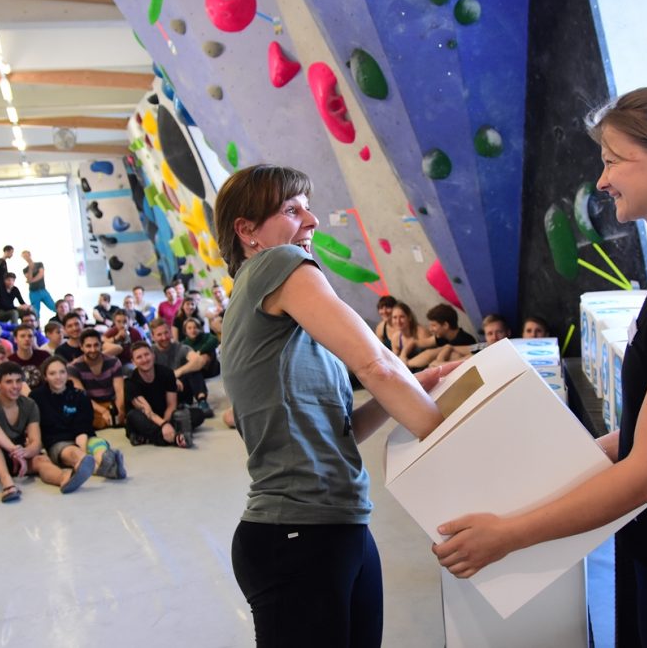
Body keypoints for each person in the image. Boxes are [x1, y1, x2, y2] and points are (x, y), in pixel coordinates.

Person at [432, 87, 647, 647]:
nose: (603, 180)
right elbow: (643, 436)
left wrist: (509, 535)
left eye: (613, 161)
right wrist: (546, 472)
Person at [216, 164, 453, 646]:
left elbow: (340, 428)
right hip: (297, 534)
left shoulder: (272, 314)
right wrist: (452, 440)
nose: (312, 220)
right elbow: (378, 365)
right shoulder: (276, 264)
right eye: (290, 209)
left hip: (340, 525)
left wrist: (416, 382)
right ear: (247, 231)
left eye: (307, 206)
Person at [0, 361, 76, 502]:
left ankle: (64, 478)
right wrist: (13, 449)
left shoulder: (29, 405)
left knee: (42, 459)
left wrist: (24, 452)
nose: (15, 386)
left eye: (18, 381)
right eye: (9, 382)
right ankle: (8, 485)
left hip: (18, 460)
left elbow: (36, 442)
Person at [30, 357, 126, 480]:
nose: (58, 377)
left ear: (67, 373)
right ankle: (104, 469)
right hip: (58, 442)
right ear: (45, 377)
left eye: (62, 372)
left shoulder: (79, 395)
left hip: (84, 437)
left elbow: (83, 426)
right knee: (76, 454)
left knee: (99, 447)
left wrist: (83, 447)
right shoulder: (36, 397)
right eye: (52, 373)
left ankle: (107, 461)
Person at [124, 341, 195, 448]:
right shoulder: (130, 381)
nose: (144, 359)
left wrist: (166, 422)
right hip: (145, 417)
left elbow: (171, 405)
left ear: (153, 355)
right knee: (133, 416)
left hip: (164, 414)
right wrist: (164, 425)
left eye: (147, 354)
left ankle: (149, 437)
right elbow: (147, 411)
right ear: (133, 362)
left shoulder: (167, 373)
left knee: (197, 415)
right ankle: (174, 438)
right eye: (139, 357)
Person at [149, 317, 212, 418]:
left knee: (193, 370)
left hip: (181, 389)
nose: (164, 337)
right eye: (159, 335)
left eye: (166, 333)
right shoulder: (150, 352)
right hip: (162, 392)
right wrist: (170, 378)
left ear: (170, 332)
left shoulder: (180, 347)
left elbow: (199, 361)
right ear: (153, 337)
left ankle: (202, 401)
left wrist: (178, 372)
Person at [67, 329, 124, 430]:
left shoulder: (114, 362)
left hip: (112, 403)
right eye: (88, 346)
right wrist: (103, 411)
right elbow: (82, 396)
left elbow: (120, 391)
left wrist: (119, 410)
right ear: (81, 347)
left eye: (96, 345)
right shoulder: (73, 367)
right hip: (91, 406)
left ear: (101, 345)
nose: (93, 350)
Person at [405, 303, 476, 369]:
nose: (430, 329)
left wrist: (406, 364)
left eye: (434, 325)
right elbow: (414, 342)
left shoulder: (464, 340)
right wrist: (403, 356)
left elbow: (430, 355)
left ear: (445, 325)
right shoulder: (443, 336)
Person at [9, 324, 50, 388]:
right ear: (15, 339)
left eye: (30, 336)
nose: (27, 339)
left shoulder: (45, 356)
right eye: (22, 336)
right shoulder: (10, 361)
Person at [20, 250, 55, 321]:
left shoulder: (39, 264)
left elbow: (41, 275)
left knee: (53, 306)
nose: (26, 258)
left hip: (42, 290)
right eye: (24, 257)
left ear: (30, 255)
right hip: (33, 292)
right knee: (36, 312)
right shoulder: (25, 269)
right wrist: (30, 268)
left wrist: (31, 281)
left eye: (26, 255)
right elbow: (29, 278)